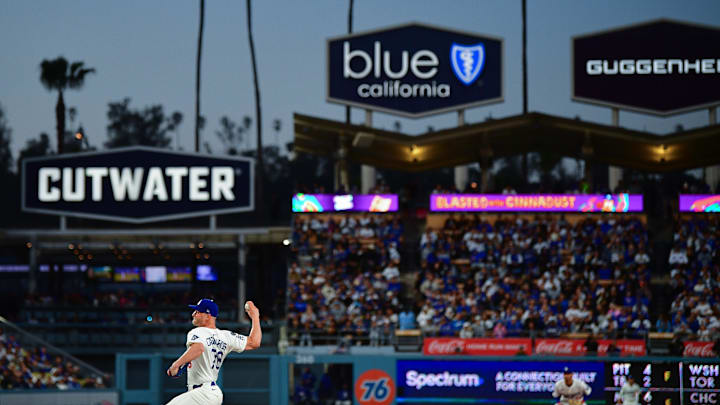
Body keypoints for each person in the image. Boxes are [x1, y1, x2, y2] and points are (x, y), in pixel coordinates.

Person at [165, 299, 262, 405]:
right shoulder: (226, 336)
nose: (193, 314)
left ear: (208, 315)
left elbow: (198, 348)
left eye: (198, 312)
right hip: (212, 393)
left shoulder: (197, 331)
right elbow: (254, 342)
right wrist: (255, 317)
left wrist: (175, 365)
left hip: (203, 393)